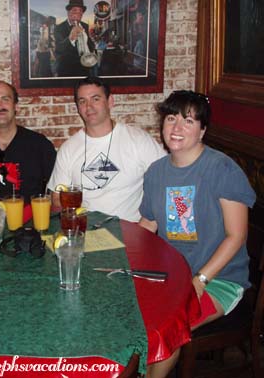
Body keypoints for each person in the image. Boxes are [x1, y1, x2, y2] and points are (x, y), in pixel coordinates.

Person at [138, 90, 256, 377]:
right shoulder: (156, 172)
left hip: (219, 279)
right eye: (171, 118)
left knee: (169, 324)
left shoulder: (223, 169)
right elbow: (148, 226)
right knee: (124, 311)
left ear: (202, 130)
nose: (177, 128)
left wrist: (200, 279)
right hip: (170, 276)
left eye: (189, 121)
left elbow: (236, 236)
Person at [47, 76, 165, 221]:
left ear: (110, 102)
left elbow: (166, 181)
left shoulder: (138, 140)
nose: (88, 106)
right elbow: (57, 198)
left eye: (95, 99)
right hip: (87, 233)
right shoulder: (68, 149)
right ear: (78, 107)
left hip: (132, 232)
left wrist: (147, 225)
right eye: (82, 101)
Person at [54, 0, 95, 77]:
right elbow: (59, 49)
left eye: (80, 11)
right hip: (67, 71)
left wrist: (91, 45)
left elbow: (90, 44)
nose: (78, 13)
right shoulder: (59, 28)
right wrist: (71, 38)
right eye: (75, 10)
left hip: (84, 69)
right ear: (68, 12)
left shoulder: (85, 25)